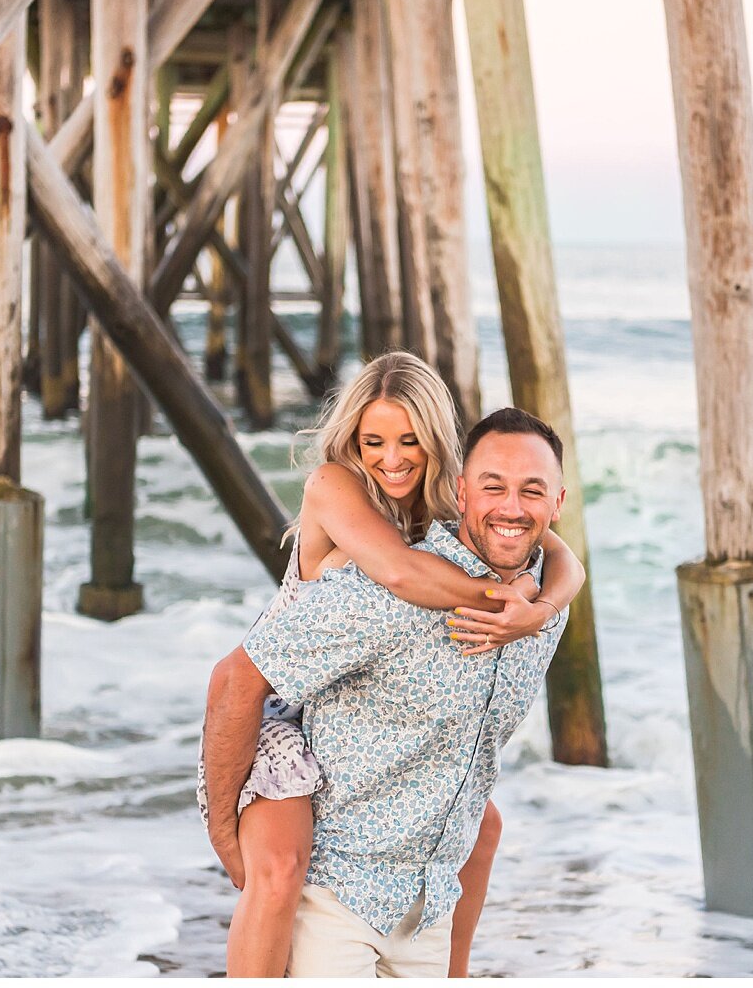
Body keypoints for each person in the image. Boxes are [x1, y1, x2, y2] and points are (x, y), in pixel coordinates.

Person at [197, 356, 584, 977]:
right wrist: (507, 604)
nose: (392, 457)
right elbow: (400, 575)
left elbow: (556, 550)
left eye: (409, 441)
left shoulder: (457, 518)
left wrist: (541, 607)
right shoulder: (341, 497)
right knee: (276, 873)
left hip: (342, 726)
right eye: (373, 442)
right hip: (278, 711)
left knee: (480, 822)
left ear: (441, 454)